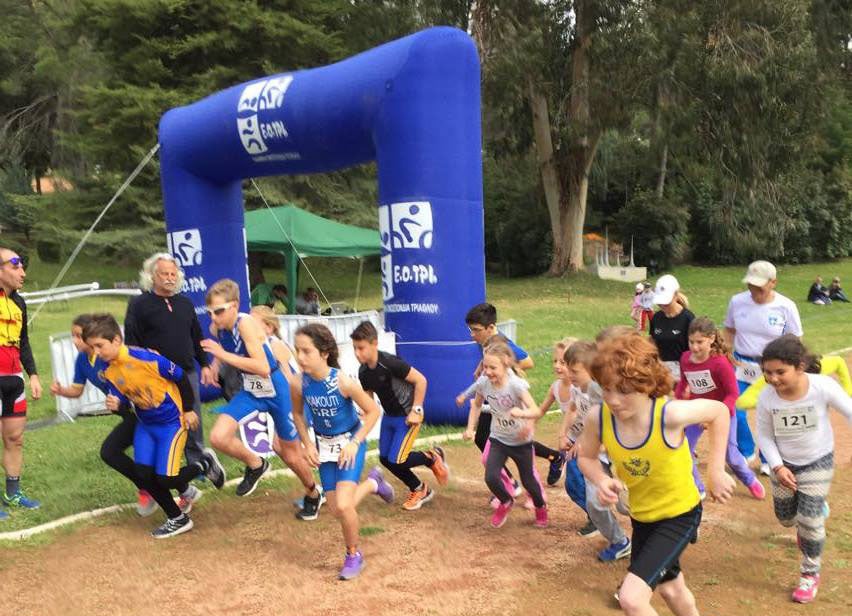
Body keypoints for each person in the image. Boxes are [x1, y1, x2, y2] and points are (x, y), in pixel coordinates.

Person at [577, 334, 735, 616]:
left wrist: (715, 470)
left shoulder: (668, 415)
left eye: (623, 390)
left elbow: (719, 411)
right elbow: (587, 457)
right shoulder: (598, 418)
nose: (612, 400)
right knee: (671, 587)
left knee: (631, 599)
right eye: (606, 389)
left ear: (645, 383)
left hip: (680, 514)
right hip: (643, 517)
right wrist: (602, 480)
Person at [83, 314, 225, 538]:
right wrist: (117, 405)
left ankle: (204, 465)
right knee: (144, 475)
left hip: (172, 423)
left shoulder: (147, 358)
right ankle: (177, 518)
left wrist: (188, 410)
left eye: (100, 346)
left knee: (166, 479)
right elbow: (125, 403)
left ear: (117, 341)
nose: (96, 352)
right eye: (92, 347)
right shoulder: (108, 369)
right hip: (145, 425)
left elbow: (181, 377)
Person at [201, 280, 324, 521]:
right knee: (218, 437)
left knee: (288, 453)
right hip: (251, 389)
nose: (213, 318)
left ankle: (312, 492)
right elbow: (223, 349)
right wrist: (214, 366)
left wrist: (222, 356)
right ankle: (256, 464)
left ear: (234, 306)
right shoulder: (217, 327)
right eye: (210, 312)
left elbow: (263, 367)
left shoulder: (245, 324)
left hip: (277, 390)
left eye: (218, 311)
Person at [290, 323, 394, 580]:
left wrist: (355, 442)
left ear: (324, 353)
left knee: (345, 506)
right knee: (336, 510)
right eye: (297, 351)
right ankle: (372, 483)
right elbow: (298, 414)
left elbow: (373, 412)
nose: (300, 357)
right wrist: (307, 444)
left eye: (306, 351)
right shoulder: (298, 383)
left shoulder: (343, 382)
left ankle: (353, 555)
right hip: (324, 448)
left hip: (349, 443)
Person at [756, 335, 852, 603]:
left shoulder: (822, 387)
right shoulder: (767, 398)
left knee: (809, 521)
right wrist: (776, 465)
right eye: (767, 372)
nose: (773, 379)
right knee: (786, 518)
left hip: (817, 460)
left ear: (799, 366)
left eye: (780, 372)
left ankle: (810, 573)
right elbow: (764, 435)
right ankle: (815, 508)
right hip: (783, 464)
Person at [50, 315, 165, 516]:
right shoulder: (82, 360)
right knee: (110, 453)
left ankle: (185, 483)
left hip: (144, 411)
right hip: (127, 414)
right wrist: (61, 391)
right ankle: (149, 488)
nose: (75, 341)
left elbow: (138, 362)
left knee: (145, 463)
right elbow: (77, 390)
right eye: (73, 336)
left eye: (78, 336)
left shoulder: (110, 356)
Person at [124, 253, 213, 468]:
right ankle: (164, 463)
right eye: (165, 273)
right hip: (157, 376)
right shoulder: (139, 304)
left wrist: (206, 365)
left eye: (174, 274)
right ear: (152, 276)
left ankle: (197, 464)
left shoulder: (185, 303)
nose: (170, 278)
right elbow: (131, 340)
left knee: (192, 419)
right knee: (162, 420)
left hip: (186, 371)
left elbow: (197, 335)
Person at [461, 303, 564, 488]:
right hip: (494, 394)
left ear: (491, 327)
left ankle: (520, 481)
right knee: (489, 439)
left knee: (507, 440)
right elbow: (491, 356)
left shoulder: (502, 343)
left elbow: (528, 361)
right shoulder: (487, 342)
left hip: (508, 398)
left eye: (476, 330)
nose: (472, 334)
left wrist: (502, 369)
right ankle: (551, 458)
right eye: (471, 330)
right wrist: (482, 367)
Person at [350, 321, 449, 511]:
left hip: (407, 415)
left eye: (361, 348)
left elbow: (421, 380)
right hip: (389, 416)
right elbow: (369, 399)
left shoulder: (389, 363)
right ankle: (420, 489)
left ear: (375, 343)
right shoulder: (363, 371)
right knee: (385, 459)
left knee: (398, 459)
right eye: (354, 348)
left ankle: (431, 457)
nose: (357, 353)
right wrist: (364, 411)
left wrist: (416, 410)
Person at [724, 260, 803, 474]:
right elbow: (729, 329)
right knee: (735, 409)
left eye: (759, 286)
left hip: (772, 369)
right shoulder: (737, 302)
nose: (754, 291)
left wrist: (793, 369)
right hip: (741, 364)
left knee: (771, 413)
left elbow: (795, 339)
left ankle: (769, 459)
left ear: (773, 283)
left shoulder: (786, 306)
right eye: (750, 285)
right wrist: (727, 349)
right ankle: (746, 451)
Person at [674, 317, 765, 500]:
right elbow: (683, 384)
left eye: (700, 342)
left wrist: (716, 416)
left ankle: (750, 480)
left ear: (711, 339)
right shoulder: (685, 359)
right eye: (691, 342)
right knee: (683, 450)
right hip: (697, 412)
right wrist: (678, 402)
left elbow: (733, 394)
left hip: (723, 413)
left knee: (730, 455)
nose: (695, 347)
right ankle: (698, 488)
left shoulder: (720, 363)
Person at [462, 340, 548, 529]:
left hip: (520, 441)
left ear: (506, 364)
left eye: (493, 367)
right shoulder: (484, 383)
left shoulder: (516, 386)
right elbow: (476, 404)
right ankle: (506, 500)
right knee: (490, 476)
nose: (488, 371)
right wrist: (470, 428)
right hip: (498, 439)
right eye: (485, 366)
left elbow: (535, 410)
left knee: (528, 481)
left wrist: (523, 414)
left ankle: (541, 507)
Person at [0, 248, 42, 515]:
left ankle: (12, 494)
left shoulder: (20, 302)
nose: (22, 272)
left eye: (22, 266)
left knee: (15, 438)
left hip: (13, 380)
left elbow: (23, 342)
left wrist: (33, 375)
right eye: (15, 266)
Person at [649, 274, 693, 381]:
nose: (662, 305)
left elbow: (693, 349)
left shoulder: (688, 318)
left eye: (666, 302)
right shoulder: (656, 317)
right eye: (660, 302)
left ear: (676, 295)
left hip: (682, 371)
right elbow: (652, 342)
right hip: (660, 370)